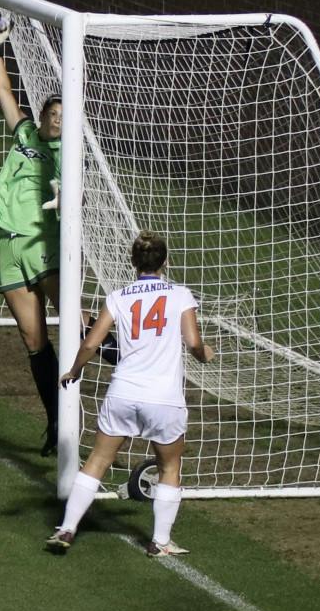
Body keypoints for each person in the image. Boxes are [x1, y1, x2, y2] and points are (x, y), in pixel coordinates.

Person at [48, 231, 217, 557]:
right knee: (170, 467)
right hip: (164, 399)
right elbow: (193, 342)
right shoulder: (180, 295)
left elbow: (91, 342)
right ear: (165, 262)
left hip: (123, 393)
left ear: (132, 262)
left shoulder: (118, 297)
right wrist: (204, 353)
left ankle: (67, 528)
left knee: (97, 460)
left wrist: (74, 371)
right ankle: (160, 541)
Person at [0, 16, 64, 455]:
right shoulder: (25, 134)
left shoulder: (67, 156)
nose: (56, 120)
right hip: (10, 247)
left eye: (63, 116)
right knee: (34, 341)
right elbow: (4, 93)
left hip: (44, 247)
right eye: (52, 113)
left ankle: (125, 357)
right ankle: (56, 422)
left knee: (76, 324)